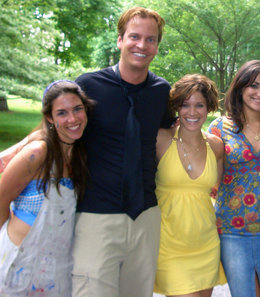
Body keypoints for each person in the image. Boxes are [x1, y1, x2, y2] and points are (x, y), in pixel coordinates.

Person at [71, 7, 173, 296]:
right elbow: (57, 127)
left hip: (145, 215)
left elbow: (174, 133)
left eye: (150, 39)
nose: (142, 45)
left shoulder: (161, 91)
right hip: (96, 215)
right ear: (119, 40)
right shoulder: (88, 85)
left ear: (157, 46)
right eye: (134, 37)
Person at [0, 80, 94, 296]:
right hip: (20, 262)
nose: (72, 119)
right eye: (62, 113)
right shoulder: (37, 153)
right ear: (50, 118)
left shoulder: (80, 153)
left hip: (57, 269)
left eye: (77, 109)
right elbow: (1, 200)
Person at [208, 60, 260, 297]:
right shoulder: (219, 128)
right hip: (233, 231)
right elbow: (212, 179)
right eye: (254, 86)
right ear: (241, 87)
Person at [154, 74, 226, 297]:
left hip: (206, 244)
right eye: (185, 105)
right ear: (176, 106)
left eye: (199, 105)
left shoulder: (216, 146)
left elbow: (219, 190)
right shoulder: (160, 140)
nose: (192, 112)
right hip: (168, 246)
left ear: (209, 107)